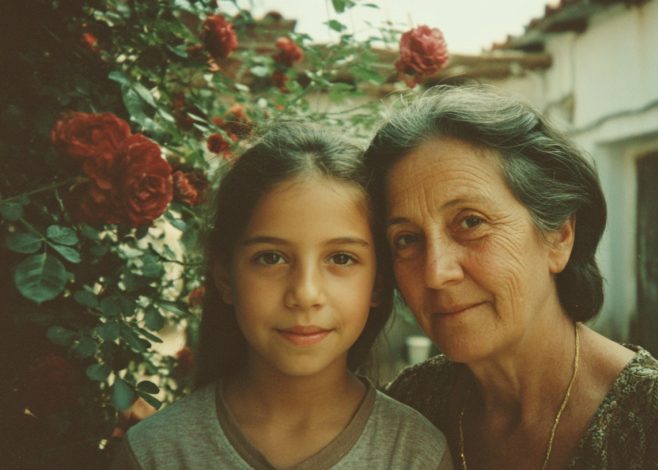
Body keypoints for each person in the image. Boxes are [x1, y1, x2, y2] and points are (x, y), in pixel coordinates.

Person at [365, 86, 658, 469]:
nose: (436, 272)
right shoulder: (413, 407)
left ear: (559, 236)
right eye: (406, 239)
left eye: (471, 222)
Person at [111, 123, 452, 470]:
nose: (305, 294)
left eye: (341, 258)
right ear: (224, 277)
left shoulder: (413, 453)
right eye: (271, 258)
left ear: (378, 284)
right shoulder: (156, 454)